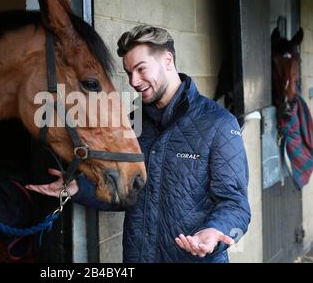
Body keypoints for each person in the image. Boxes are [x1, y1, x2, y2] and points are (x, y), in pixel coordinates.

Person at [26, 25, 251, 263]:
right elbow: (126, 190)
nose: (134, 80)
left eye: (141, 69)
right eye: (129, 72)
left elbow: (235, 204)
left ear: (167, 60)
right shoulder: (133, 122)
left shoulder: (219, 123)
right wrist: (79, 189)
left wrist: (215, 231)